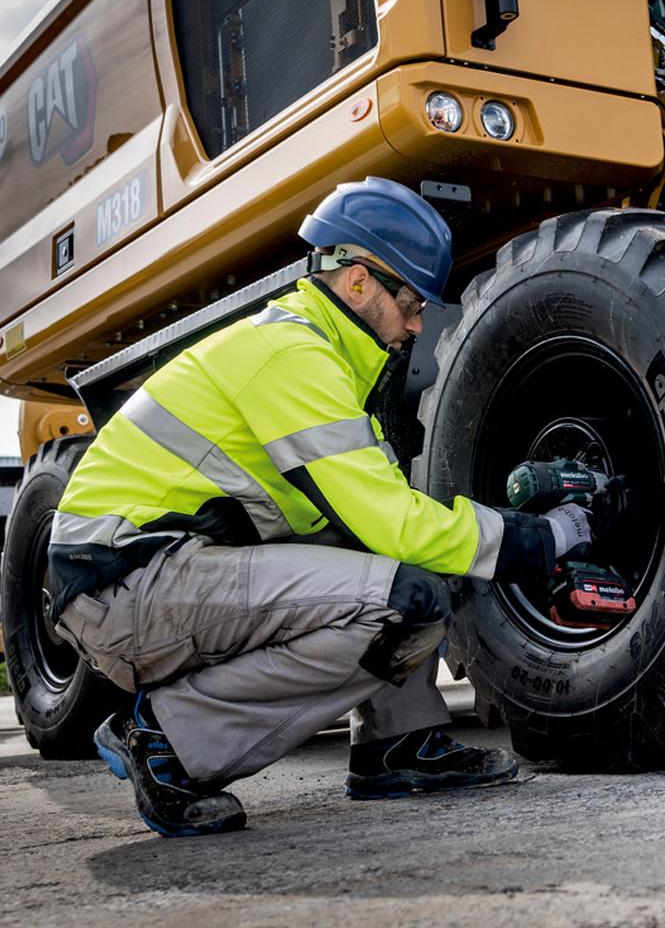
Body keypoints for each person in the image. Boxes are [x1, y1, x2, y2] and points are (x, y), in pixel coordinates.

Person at [47, 177, 591, 837]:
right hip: (126, 586)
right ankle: (164, 740)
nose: (418, 325)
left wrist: (485, 539)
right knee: (403, 599)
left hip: (159, 571)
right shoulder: (290, 355)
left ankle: (397, 743)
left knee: (410, 565)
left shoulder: (321, 361)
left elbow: (386, 519)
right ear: (359, 283)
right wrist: (540, 540)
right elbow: (394, 523)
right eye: (411, 303)